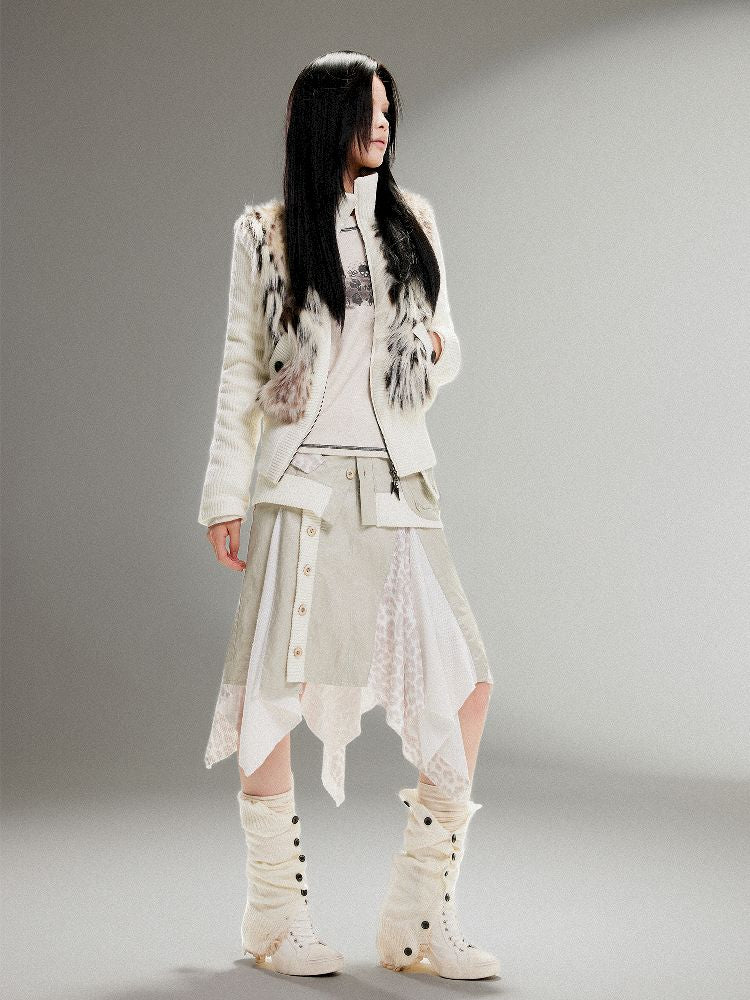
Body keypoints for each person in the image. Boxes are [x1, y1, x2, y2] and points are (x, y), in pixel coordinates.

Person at [198, 50, 499, 980]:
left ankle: (418, 916)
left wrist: (436, 345)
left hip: (399, 481)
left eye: (388, 110)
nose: (383, 125)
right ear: (325, 121)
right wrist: (223, 495)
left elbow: (445, 350)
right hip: (304, 484)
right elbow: (243, 369)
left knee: (467, 682)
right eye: (368, 111)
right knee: (271, 695)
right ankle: (273, 916)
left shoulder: (415, 222)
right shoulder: (268, 233)